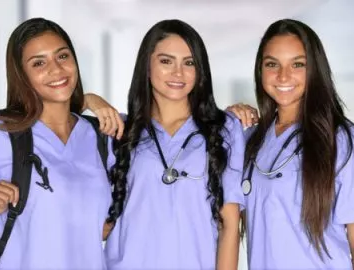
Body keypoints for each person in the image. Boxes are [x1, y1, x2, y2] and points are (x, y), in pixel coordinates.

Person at [0, 18, 114, 269]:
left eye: (62, 56)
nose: (56, 69)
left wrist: (90, 100)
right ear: (23, 76)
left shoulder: (102, 137)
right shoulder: (0, 134)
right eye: (39, 63)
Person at [99, 19, 245, 269]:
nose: (178, 73)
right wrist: (91, 100)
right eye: (166, 61)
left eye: (189, 63)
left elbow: (230, 225)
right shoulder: (119, 130)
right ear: (146, 66)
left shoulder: (225, 129)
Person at [238, 19, 354, 270]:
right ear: (260, 70)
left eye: (298, 64)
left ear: (315, 69)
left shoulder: (341, 141)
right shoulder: (251, 141)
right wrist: (228, 121)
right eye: (272, 64)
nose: (283, 76)